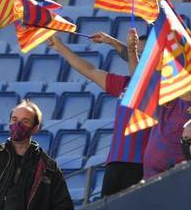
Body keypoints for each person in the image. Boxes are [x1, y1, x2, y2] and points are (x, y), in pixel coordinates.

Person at [49, 30, 149, 196]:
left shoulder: (160, 88)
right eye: (138, 53)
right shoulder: (124, 84)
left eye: (145, 54)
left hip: (141, 165)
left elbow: (141, 81)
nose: (139, 58)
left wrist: (128, 49)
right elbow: (90, 70)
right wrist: (60, 46)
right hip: (115, 163)